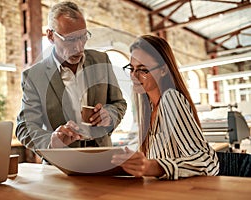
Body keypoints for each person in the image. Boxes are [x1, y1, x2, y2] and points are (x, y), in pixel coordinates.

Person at [16, 1, 126, 151]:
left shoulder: (102, 61)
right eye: (70, 39)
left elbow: (118, 103)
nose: (79, 47)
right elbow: (24, 127)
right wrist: (51, 141)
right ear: (50, 36)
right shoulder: (34, 76)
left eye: (83, 37)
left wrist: (110, 115)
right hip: (60, 164)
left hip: (101, 156)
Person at [111, 35, 219, 180]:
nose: (134, 76)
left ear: (163, 70)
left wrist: (155, 167)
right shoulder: (147, 107)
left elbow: (208, 162)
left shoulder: (171, 99)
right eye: (131, 68)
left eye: (143, 70)